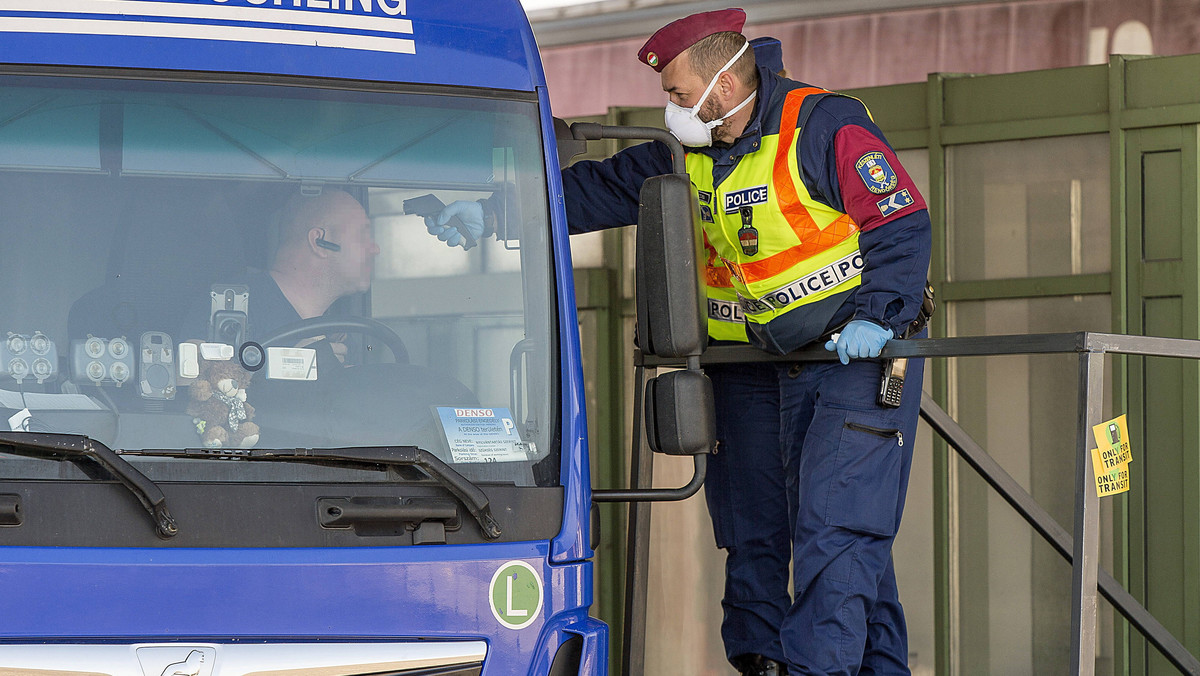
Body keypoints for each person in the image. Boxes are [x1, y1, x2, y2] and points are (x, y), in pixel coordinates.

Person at [425, 8, 930, 674]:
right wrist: (492, 211)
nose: (671, 108)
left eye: (677, 93)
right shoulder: (684, 154)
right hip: (749, 367)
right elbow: (594, 190)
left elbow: (900, 224)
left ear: (722, 81)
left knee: (836, 535)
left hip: (851, 360)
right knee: (753, 535)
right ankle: (762, 663)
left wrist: (880, 314)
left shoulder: (824, 126)